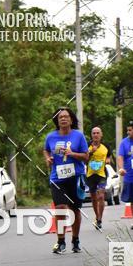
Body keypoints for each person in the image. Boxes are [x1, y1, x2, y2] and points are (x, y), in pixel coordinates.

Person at [43, 108, 88, 254]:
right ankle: (61, 241)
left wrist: (72, 154)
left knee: (75, 209)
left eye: (66, 117)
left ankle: (75, 240)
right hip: (58, 178)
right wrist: (48, 158)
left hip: (76, 177)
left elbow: (86, 157)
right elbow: (46, 150)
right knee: (60, 208)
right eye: (60, 117)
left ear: (71, 119)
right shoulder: (51, 137)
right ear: (56, 120)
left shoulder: (78, 136)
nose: (63, 119)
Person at [86, 126, 111, 229]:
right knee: (93, 198)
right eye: (94, 133)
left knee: (101, 196)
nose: (96, 135)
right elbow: (83, 159)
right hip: (90, 175)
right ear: (91, 135)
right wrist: (91, 152)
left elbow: (108, 155)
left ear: (101, 135)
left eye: (97, 133)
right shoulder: (87, 145)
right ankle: (97, 216)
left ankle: (100, 218)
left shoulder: (106, 146)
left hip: (102, 174)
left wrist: (108, 159)